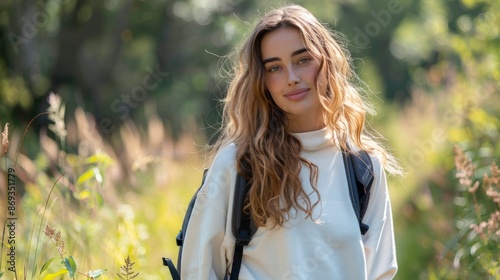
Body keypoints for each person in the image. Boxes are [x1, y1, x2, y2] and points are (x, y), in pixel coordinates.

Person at [181, 4, 402, 280]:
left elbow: (380, 273)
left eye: (303, 60)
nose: (292, 79)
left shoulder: (363, 167)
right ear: (262, 82)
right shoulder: (238, 165)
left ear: (327, 62)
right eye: (275, 68)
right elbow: (198, 271)